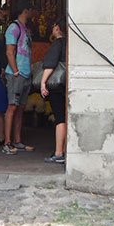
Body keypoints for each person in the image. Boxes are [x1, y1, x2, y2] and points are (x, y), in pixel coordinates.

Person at [2, 0, 35, 155]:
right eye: (30, 10)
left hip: (25, 73)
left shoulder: (25, 29)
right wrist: (15, 71)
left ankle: (17, 140)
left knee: (20, 108)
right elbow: (9, 52)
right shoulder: (13, 28)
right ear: (25, 11)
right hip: (17, 74)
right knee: (12, 107)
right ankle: (7, 143)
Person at [40, 18, 67, 165]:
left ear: (58, 28)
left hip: (56, 86)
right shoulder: (69, 43)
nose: (52, 28)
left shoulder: (57, 43)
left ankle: (58, 153)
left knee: (60, 118)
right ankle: (64, 150)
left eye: (54, 25)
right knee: (64, 116)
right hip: (65, 85)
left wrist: (43, 82)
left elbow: (50, 64)